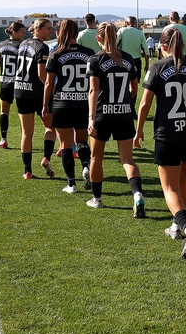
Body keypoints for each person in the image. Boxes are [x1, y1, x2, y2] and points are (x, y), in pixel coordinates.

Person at [136, 26, 186, 258]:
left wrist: (139, 129)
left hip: (168, 134)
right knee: (183, 181)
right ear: (183, 46)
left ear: (163, 46)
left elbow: (144, 104)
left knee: (170, 187)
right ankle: (176, 225)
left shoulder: (156, 67)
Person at [85, 23, 144, 214]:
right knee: (127, 160)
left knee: (96, 158)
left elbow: (93, 90)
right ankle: (137, 195)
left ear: (98, 38)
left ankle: (97, 199)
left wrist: (91, 118)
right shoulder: (127, 58)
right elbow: (134, 88)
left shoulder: (95, 59)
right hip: (124, 114)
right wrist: (127, 102)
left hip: (102, 114)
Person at [42, 19, 93, 194]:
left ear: (59, 33)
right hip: (83, 103)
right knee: (82, 141)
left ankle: (72, 184)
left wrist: (45, 104)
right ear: (76, 34)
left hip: (62, 103)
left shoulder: (55, 54)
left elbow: (49, 84)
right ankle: (86, 166)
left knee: (65, 144)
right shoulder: (89, 53)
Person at [13, 18, 56, 179]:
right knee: (50, 127)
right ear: (38, 29)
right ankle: (46, 157)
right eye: (48, 29)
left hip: (20, 91)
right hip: (37, 93)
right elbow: (41, 74)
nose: (50, 32)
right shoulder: (42, 47)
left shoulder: (23, 44)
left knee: (26, 133)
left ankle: (27, 170)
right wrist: (52, 88)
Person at [0, 21, 26, 148]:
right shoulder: (23, 46)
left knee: (4, 112)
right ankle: (24, 140)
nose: (24, 35)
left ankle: (3, 139)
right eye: (22, 32)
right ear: (14, 32)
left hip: (5, 83)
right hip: (21, 84)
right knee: (23, 114)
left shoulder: (1, 45)